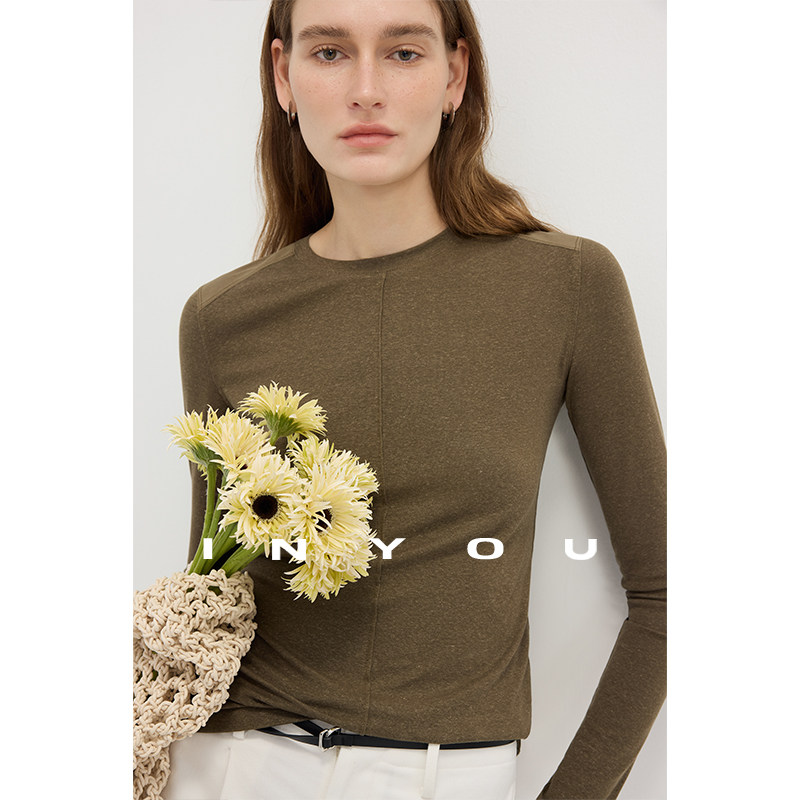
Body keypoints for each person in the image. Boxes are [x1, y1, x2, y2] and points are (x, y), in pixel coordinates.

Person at [162, 1, 666, 798]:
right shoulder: (221, 319)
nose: (366, 89)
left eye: (403, 53)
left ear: (455, 74)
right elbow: (215, 592)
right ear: (283, 75)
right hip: (238, 766)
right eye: (329, 52)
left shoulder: (566, 285)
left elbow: (669, 592)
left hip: (447, 773)